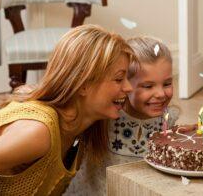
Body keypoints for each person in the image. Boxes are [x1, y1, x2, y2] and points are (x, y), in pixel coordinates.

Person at [0, 24, 137, 195]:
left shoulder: (80, 126)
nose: (129, 87)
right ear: (83, 84)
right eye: (119, 79)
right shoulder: (39, 131)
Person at [64, 36, 179, 195]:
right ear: (124, 84)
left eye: (167, 83)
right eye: (147, 86)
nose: (160, 94)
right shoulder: (103, 117)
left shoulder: (170, 121)